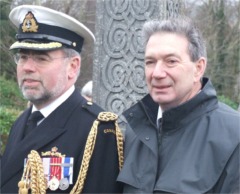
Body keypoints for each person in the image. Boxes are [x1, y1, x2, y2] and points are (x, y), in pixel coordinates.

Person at [1, 5, 123, 193]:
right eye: (23, 57)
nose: (27, 67)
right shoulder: (22, 122)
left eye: (41, 58)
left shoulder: (98, 130)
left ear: (73, 67)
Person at [117, 17, 240, 193]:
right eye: (150, 62)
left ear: (198, 68)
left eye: (171, 61)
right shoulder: (135, 131)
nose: (157, 73)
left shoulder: (234, 135)